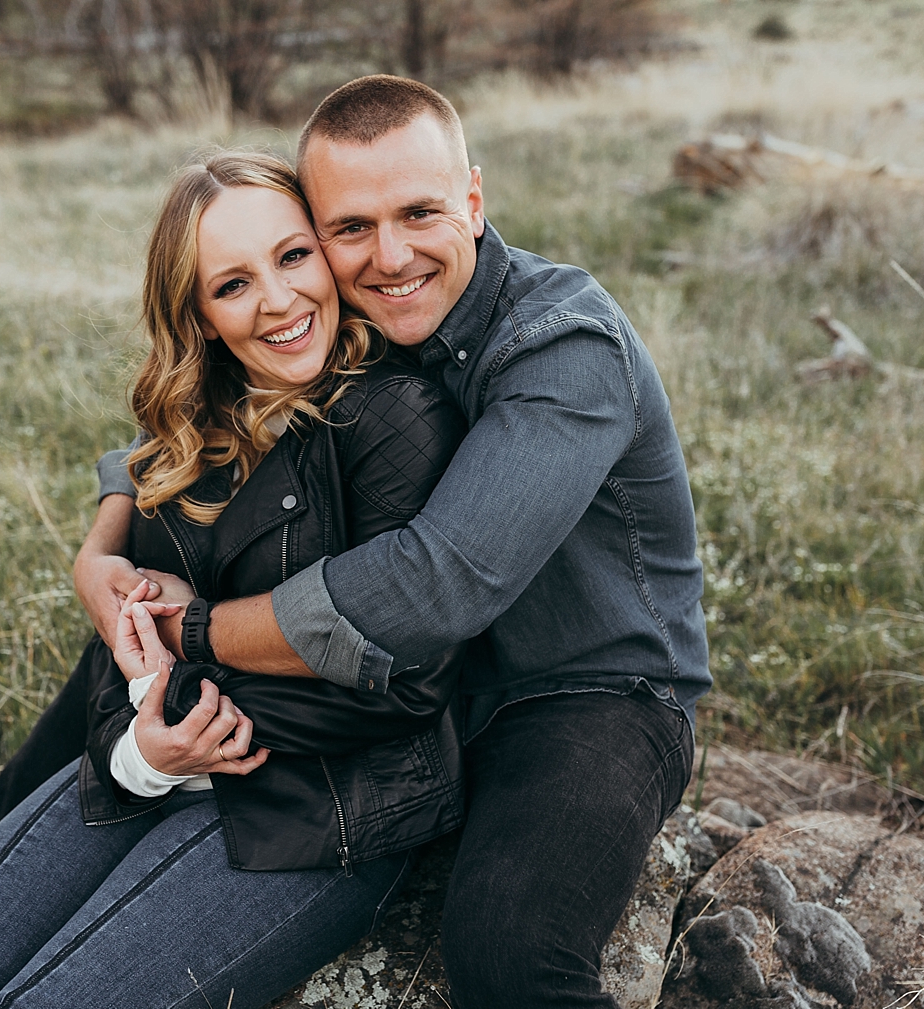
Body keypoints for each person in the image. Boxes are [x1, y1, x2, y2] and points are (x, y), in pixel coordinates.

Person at [89, 76, 710, 1008]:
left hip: (584, 693)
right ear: (318, 234)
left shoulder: (563, 347)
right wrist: (104, 552)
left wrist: (197, 631)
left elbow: (433, 588)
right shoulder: (359, 317)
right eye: (350, 229)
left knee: (505, 950)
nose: (389, 255)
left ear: (472, 199)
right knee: (116, 628)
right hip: (427, 692)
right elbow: (195, 421)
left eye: (419, 212)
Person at [0, 150, 469, 1008]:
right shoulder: (188, 432)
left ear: (326, 250)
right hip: (152, 767)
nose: (280, 301)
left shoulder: (392, 417)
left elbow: (401, 675)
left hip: (321, 809)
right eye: (233, 284)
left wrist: (176, 687)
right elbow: (120, 650)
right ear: (200, 316)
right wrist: (142, 754)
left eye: (291, 257)